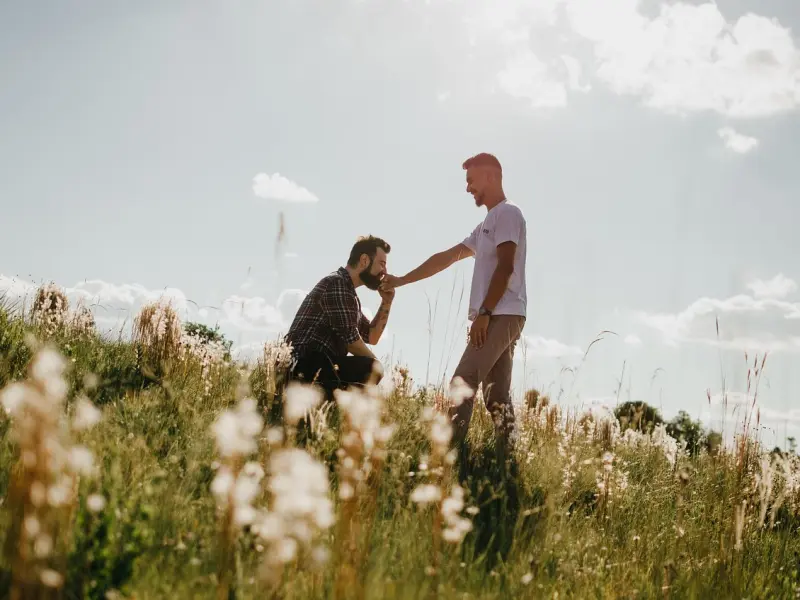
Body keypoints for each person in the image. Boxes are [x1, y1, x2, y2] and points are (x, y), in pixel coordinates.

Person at [382, 152, 527, 457]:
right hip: (501, 313)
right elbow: (447, 257)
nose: (467, 188)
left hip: (501, 312)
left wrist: (485, 313)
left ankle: (447, 456)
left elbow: (505, 267)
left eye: (471, 181)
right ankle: (509, 459)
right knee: (496, 395)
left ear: (490, 176)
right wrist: (402, 280)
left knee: (462, 382)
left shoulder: (508, 214)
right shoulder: (488, 221)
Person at [284, 235, 394, 399]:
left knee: (368, 369)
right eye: (382, 264)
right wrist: (379, 370)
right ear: (364, 260)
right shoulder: (337, 283)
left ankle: (330, 404)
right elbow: (353, 344)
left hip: (322, 365)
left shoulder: (350, 295)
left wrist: (386, 302)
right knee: (370, 368)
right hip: (304, 364)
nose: (384, 271)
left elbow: (372, 336)